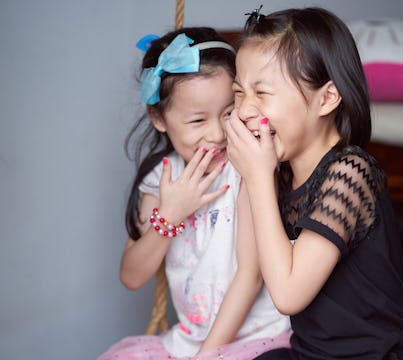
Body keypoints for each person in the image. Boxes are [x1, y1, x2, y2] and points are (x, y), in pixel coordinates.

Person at [224, 7, 403, 359]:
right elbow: (251, 267)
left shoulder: (350, 172)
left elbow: (288, 295)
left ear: (327, 98)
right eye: (238, 92)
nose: (245, 109)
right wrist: (253, 175)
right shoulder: (274, 175)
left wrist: (258, 177)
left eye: (261, 93)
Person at [98, 27, 290, 360]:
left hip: (255, 340)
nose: (217, 133)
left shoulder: (247, 166)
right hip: (187, 343)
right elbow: (131, 276)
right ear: (159, 118)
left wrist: (206, 357)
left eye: (228, 112)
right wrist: (170, 215)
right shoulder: (163, 178)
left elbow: (251, 276)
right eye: (198, 120)